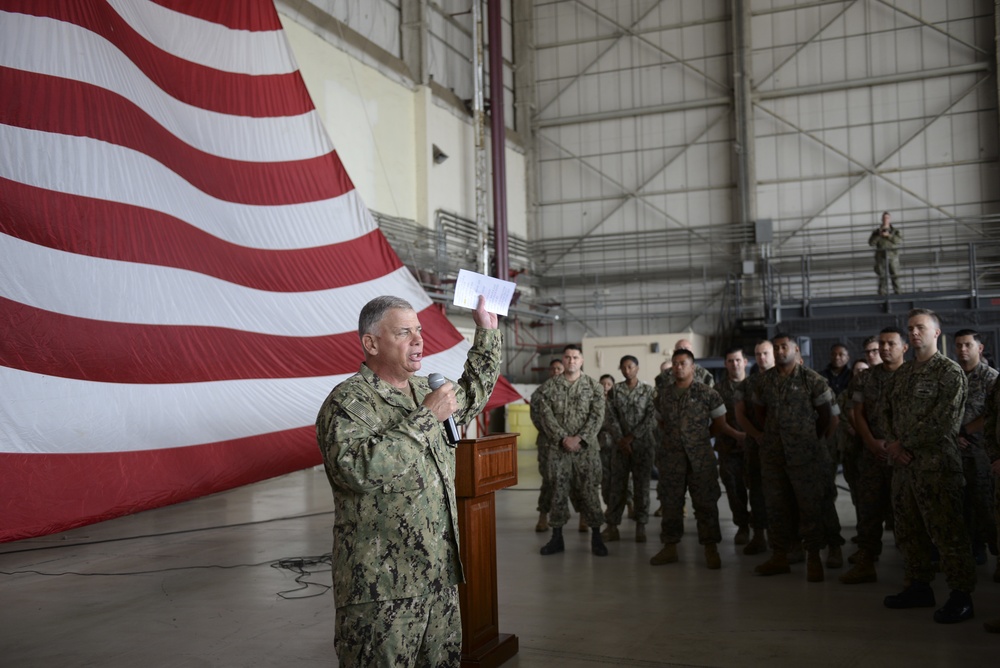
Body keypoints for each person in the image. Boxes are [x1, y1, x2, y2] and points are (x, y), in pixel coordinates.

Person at [315, 294, 500, 666]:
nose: (418, 339)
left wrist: (487, 330)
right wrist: (428, 418)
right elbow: (358, 471)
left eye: (418, 330)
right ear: (371, 343)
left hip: (438, 576)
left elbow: (474, 392)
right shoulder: (349, 402)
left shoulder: (425, 391)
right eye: (404, 332)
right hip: (383, 589)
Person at [881, 308, 974, 624]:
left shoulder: (949, 372)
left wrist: (901, 444)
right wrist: (893, 443)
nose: (914, 332)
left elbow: (945, 421)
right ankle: (919, 586)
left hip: (936, 469)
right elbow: (885, 413)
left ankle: (961, 595)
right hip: (905, 470)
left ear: (936, 333)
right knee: (908, 532)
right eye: (910, 328)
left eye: (920, 327)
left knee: (947, 534)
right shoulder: (903, 374)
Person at [752, 333, 843, 582]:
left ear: (795, 350)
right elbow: (760, 412)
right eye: (777, 347)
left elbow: (826, 417)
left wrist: (810, 439)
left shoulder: (812, 380)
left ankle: (814, 556)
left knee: (810, 505)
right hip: (774, 455)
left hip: (806, 456)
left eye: (785, 347)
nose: (780, 351)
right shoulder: (764, 381)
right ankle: (780, 555)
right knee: (776, 506)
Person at [650, 349, 736, 569]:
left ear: (693, 367)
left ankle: (710, 548)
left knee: (706, 504)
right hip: (671, 459)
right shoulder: (664, 395)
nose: (678, 367)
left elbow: (720, 423)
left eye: (683, 363)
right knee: (671, 504)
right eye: (675, 363)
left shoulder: (708, 393)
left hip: (701, 459)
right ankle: (670, 547)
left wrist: (698, 438)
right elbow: (661, 423)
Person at [839, 327, 907, 585]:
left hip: (905, 457)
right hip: (873, 455)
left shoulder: (914, 375)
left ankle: (915, 569)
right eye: (882, 344)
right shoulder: (864, 379)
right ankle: (866, 561)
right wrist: (870, 443)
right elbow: (857, 413)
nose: (885, 348)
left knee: (906, 512)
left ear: (904, 348)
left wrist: (898, 445)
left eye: (891, 344)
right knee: (868, 510)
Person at [533, 344, 609, 556]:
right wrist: (563, 438)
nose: (571, 361)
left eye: (575, 357)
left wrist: (579, 438)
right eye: (567, 357)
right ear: (563, 360)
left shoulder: (594, 387)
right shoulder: (549, 387)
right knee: (557, 490)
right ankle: (557, 537)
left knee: (590, 491)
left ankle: (596, 537)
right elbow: (545, 416)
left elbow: (597, 417)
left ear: (582, 360)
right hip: (558, 450)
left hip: (586, 450)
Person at [953, 329, 998, 565]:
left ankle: (995, 548)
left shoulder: (992, 378)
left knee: (986, 504)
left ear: (979, 348)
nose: (962, 350)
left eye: (967, 345)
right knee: (963, 504)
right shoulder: (951, 376)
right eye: (959, 345)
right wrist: (953, 434)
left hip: (982, 451)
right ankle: (974, 547)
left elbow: (993, 414)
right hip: (956, 451)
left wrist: (964, 431)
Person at [602, 356, 656, 543]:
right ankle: (612, 526)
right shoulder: (615, 391)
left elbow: (651, 417)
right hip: (620, 448)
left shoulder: (649, 391)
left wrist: (632, 438)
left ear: (637, 368)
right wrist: (622, 440)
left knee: (642, 487)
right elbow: (610, 417)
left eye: (630, 367)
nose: (627, 371)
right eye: (623, 367)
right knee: (617, 487)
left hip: (643, 447)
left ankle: (640, 526)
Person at [734, 340, 774, 555]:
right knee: (757, 492)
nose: (762, 358)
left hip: (784, 448)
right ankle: (759, 536)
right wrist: (756, 434)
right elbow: (740, 414)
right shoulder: (747, 385)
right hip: (756, 446)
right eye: (758, 354)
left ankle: (786, 539)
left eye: (765, 353)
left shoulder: (786, 380)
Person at [531, 357, 571, 532]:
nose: (556, 372)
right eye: (553, 369)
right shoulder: (540, 392)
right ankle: (543, 515)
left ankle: (583, 518)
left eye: (559, 369)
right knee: (549, 480)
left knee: (576, 481)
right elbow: (537, 419)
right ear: (549, 371)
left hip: (571, 443)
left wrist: (568, 438)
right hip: (548, 444)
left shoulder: (571, 391)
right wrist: (557, 435)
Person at [716, 347, 751, 544]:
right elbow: (717, 419)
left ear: (745, 362)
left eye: (737, 360)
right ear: (725, 364)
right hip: (728, 447)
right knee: (734, 489)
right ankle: (742, 526)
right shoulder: (719, 390)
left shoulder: (756, 386)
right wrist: (737, 435)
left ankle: (761, 527)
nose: (734, 364)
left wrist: (751, 436)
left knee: (759, 488)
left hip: (755, 446)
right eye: (730, 361)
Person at [868, 210, 902, 295]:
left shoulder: (895, 231)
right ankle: (882, 294)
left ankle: (898, 292)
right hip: (881, 257)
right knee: (882, 276)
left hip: (893, 256)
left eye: (887, 218)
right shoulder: (876, 232)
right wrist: (879, 236)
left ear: (890, 219)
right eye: (884, 218)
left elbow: (899, 241)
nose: (885, 219)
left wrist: (889, 236)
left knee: (895, 275)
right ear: (881, 219)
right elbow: (871, 243)